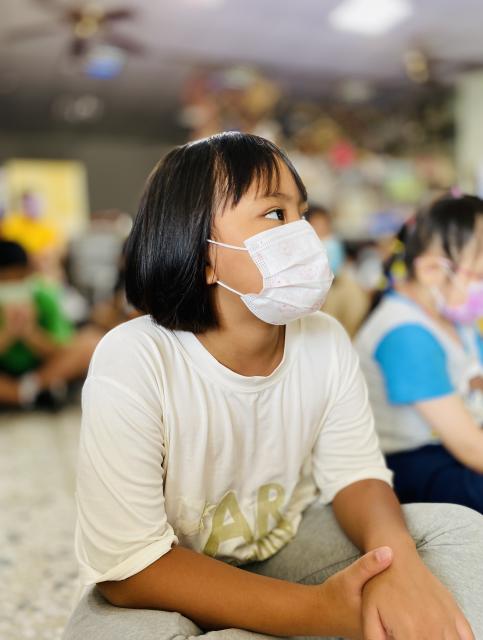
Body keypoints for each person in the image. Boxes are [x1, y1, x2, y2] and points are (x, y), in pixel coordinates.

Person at [64, 134, 483, 640]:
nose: (305, 233)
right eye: (275, 214)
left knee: (458, 533)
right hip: (168, 579)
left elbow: (355, 475)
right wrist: (320, 610)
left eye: (301, 213)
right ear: (203, 255)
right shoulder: (135, 356)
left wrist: (401, 565)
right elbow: (131, 569)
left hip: (287, 549)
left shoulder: (324, 339)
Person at [355, 193, 483, 514]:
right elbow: (471, 448)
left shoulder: (456, 320)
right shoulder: (404, 333)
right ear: (430, 270)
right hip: (414, 465)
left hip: (457, 447)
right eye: (479, 276)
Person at [0, 240, 100, 408]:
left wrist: (30, 334)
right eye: (5, 281)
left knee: (91, 342)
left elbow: (61, 350)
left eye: (18, 279)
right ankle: (25, 395)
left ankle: (27, 391)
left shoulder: (44, 297)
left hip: (39, 371)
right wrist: (8, 333)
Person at [306, 204, 369, 337]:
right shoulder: (300, 284)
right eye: (318, 230)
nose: (326, 238)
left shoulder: (346, 283)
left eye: (327, 229)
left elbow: (357, 317)